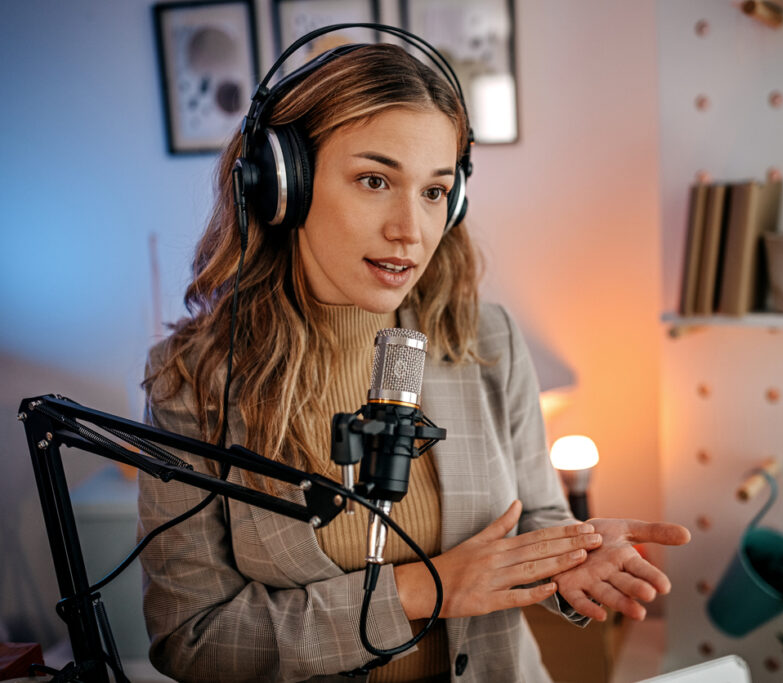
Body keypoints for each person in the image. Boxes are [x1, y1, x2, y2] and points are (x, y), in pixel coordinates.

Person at [138, 35, 690, 683]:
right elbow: (193, 639)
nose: (410, 229)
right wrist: (423, 590)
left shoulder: (487, 338)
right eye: (375, 181)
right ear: (284, 185)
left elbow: (536, 518)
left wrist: (573, 558)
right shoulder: (193, 381)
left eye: (434, 192)